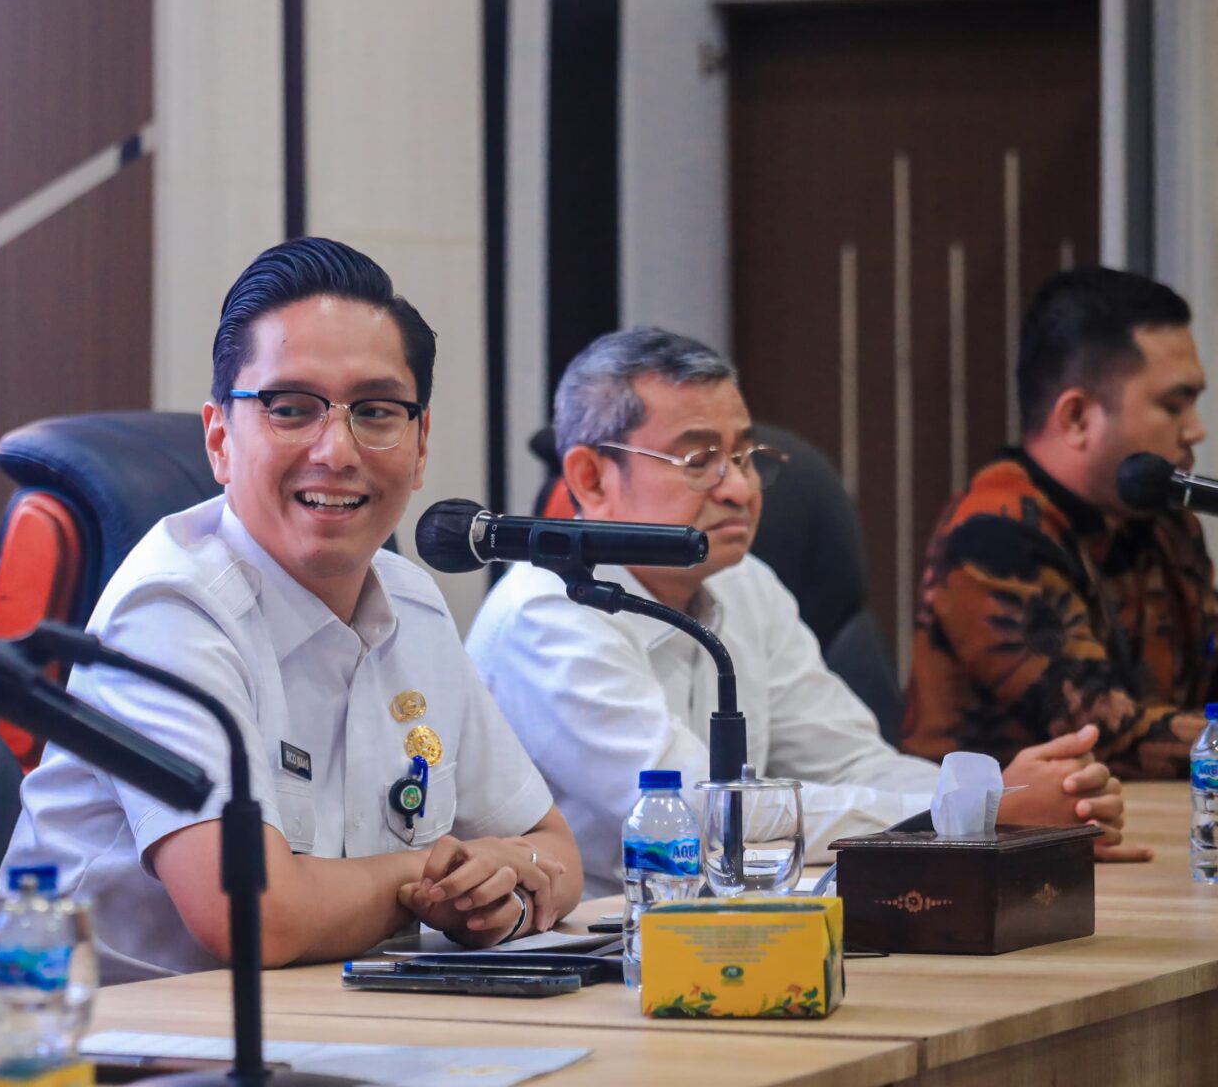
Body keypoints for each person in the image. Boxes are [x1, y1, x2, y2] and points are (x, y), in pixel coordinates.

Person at [3, 239, 583, 981]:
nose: (336, 450)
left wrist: (501, 892)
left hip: (339, 1018)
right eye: (291, 409)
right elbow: (253, 915)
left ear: (419, 445)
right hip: (109, 1034)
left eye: (376, 411)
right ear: (220, 440)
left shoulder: (413, 604)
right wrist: (431, 881)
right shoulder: (169, 610)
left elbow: (554, 851)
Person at [467, 328, 1142, 899]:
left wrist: (1007, 800)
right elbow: (708, 819)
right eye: (700, 459)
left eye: (745, 456)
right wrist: (977, 814)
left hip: (727, 926)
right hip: (592, 952)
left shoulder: (746, 585)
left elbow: (852, 763)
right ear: (590, 478)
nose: (740, 488)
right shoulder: (547, 616)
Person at [907, 267, 1218, 780]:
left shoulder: (1166, 522)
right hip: (997, 827)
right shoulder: (992, 536)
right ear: (1077, 418)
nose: (1196, 430)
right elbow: (1103, 733)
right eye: (1173, 405)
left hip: (1141, 815)